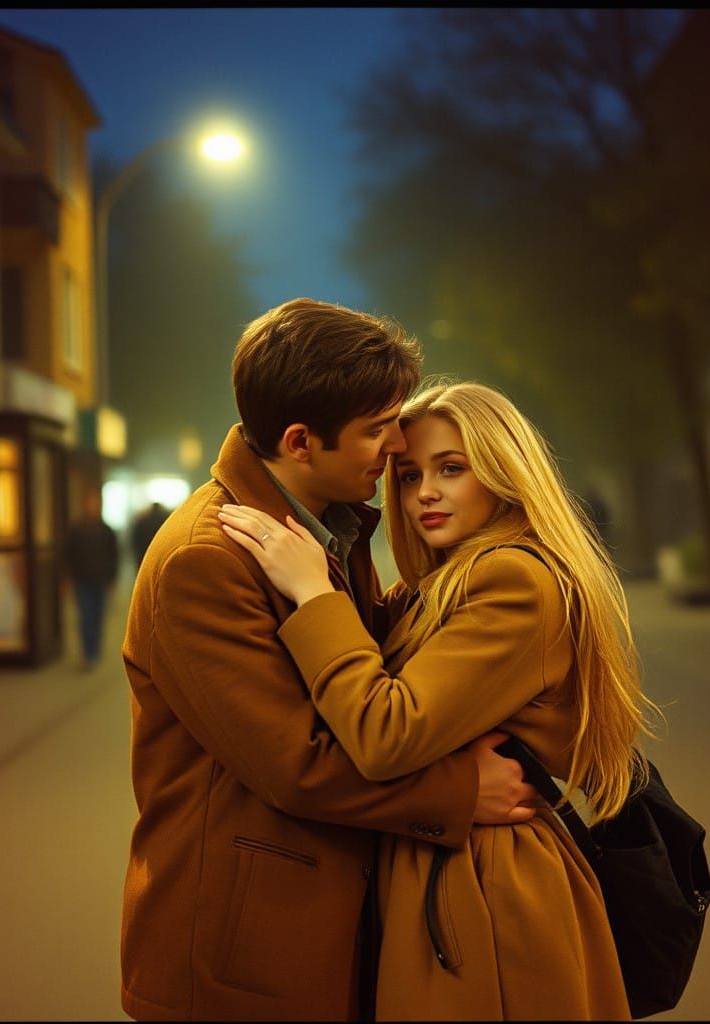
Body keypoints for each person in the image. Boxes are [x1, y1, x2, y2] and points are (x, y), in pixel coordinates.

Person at [120, 301, 537, 1022]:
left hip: (312, 923)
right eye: (377, 429)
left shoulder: (325, 526)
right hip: (238, 953)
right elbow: (297, 763)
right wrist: (459, 794)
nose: (398, 444)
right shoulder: (208, 558)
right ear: (300, 441)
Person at [221, 380, 664, 1021]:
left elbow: (385, 733)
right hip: (446, 873)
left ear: (503, 473)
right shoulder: (440, 581)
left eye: (451, 469)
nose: (424, 492)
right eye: (406, 475)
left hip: (487, 888)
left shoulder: (514, 579)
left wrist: (314, 595)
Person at [65, 488, 120, 670]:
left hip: (100, 579)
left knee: (98, 616)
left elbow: (114, 555)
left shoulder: (106, 530)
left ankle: (95, 650)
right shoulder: (76, 529)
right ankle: (88, 653)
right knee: (86, 616)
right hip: (82, 580)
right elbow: (68, 555)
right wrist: (68, 578)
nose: (93, 506)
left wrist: (112, 579)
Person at [130, 501, 169, 568]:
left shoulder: (143, 520)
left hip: (144, 553)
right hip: (159, 554)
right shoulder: (165, 520)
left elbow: (135, 539)